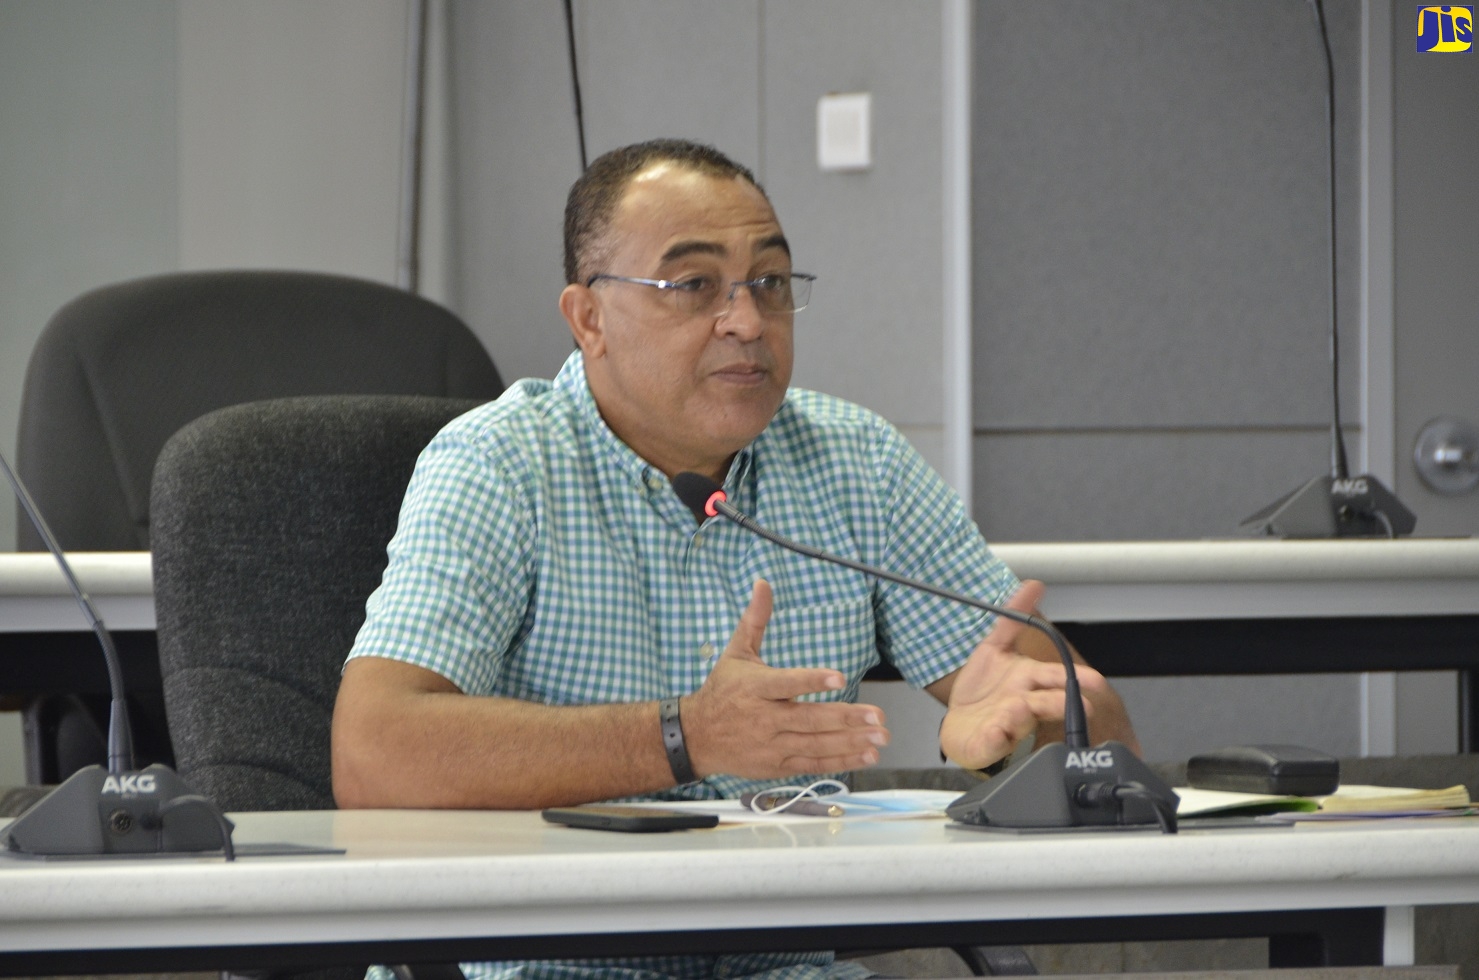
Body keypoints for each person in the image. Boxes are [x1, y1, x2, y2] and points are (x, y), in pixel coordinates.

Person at [332, 138, 1140, 980]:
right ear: (588, 319)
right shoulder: (500, 464)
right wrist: (686, 737)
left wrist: (1003, 746)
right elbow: (375, 754)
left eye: (771, 283)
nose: (747, 321)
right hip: (541, 968)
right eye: (693, 286)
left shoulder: (853, 459)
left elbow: (1101, 743)